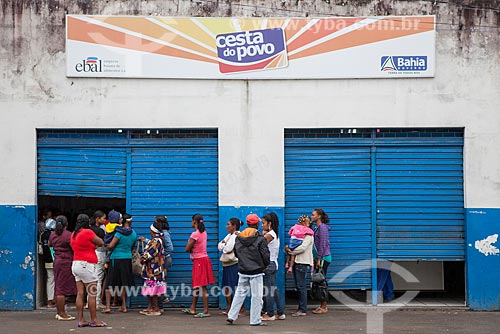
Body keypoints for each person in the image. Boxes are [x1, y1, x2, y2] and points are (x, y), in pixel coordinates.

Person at [226, 213, 270, 327]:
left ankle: (231, 316)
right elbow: (265, 255)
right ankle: (255, 320)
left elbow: (236, 253)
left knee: (239, 293)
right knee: (257, 296)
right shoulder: (260, 238)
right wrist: (265, 265)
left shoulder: (239, 237)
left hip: (243, 269)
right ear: (257, 224)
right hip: (256, 270)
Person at [70, 214, 107, 327]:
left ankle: (81, 320)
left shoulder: (73, 234)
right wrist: (93, 246)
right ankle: (94, 320)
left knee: (80, 293)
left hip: (76, 264)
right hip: (87, 265)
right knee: (92, 293)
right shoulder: (87, 232)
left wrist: (91, 246)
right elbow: (100, 242)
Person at [103, 212, 137, 314]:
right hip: (127, 258)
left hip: (115, 259)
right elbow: (131, 247)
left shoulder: (118, 233)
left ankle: (108, 307)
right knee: (124, 283)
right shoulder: (134, 233)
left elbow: (111, 246)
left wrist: (105, 245)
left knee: (110, 283)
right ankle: (124, 306)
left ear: (122, 221)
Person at [183, 214, 214, 318]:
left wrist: (190, 247)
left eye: (192, 221)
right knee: (197, 285)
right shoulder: (204, 232)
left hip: (199, 261)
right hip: (203, 260)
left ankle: (206, 311)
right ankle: (193, 307)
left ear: (194, 222)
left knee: (202, 286)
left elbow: (187, 248)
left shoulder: (195, 234)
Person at [285, 215, 314, 317]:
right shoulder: (300, 234)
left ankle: (302, 309)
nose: (307, 223)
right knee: (299, 286)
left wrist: (291, 251)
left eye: (308, 222)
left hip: (302, 262)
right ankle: (301, 308)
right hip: (298, 262)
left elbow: (302, 248)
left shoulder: (309, 235)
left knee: (301, 286)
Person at [48, 215, 76, 321]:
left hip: (57, 261)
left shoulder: (52, 234)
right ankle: (62, 313)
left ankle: (59, 312)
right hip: (66, 262)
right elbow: (73, 247)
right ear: (66, 224)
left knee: (58, 286)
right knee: (62, 289)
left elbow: (50, 244)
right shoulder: (69, 235)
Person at [261, 212, 285, 321]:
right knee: (273, 289)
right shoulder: (274, 233)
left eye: (263, 223)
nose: (262, 225)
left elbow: (259, 243)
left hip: (269, 264)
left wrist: (261, 234)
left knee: (268, 290)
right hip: (273, 264)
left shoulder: (270, 235)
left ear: (269, 223)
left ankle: (270, 314)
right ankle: (280, 312)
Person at [139, 220, 166, 316]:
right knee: (150, 289)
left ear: (153, 231)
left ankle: (156, 308)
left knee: (153, 290)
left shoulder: (156, 241)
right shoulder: (156, 239)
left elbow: (150, 253)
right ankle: (150, 307)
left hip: (154, 269)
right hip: (151, 269)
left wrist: (142, 259)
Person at [217, 218, 241, 315]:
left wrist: (223, 245)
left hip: (233, 264)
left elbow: (227, 249)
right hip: (227, 264)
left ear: (234, 226)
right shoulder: (229, 235)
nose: (227, 226)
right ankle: (229, 307)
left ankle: (240, 309)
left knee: (235, 286)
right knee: (227, 287)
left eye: (228, 224)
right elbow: (219, 245)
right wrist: (223, 245)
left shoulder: (236, 236)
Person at [311, 208, 332, 314]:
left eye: (313, 215)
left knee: (321, 281)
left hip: (323, 257)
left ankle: (324, 306)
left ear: (319, 216)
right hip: (320, 258)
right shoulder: (317, 228)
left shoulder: (322, 228)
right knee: (320, 281)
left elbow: (322, 244)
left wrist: (319, 259)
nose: (312, 217)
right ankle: (322, 305)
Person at [88, 210, 106, 309]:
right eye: (103, 218)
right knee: (98, 279)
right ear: (97, 219)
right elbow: (104, 243)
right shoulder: (100, 231)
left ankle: (88, 302)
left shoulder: (88, 230)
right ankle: (96, 302)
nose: (105, 220)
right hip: (99, 254)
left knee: (90, 278)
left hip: (90, 254)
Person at [40, 217, 56, 308]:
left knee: (50, 280)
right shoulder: (54, 235)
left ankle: (50, 301)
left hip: (47, 260)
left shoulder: (42, 235)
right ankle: (54, 301)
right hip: (55, 259)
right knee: (56, 280)